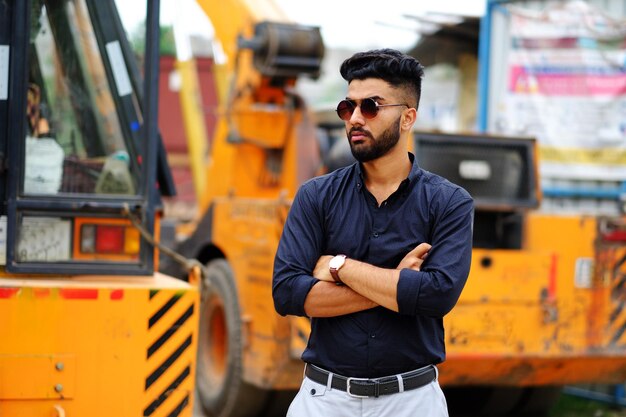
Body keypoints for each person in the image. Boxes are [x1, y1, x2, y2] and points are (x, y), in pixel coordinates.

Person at [272, 48, 474, 417]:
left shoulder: (449, 203)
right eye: (347, 108)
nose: (355, 119)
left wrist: (338, 267)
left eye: (371, 106)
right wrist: (398, 283)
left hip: (412, 401)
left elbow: (436, 296)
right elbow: (287, 293)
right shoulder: (316, 196)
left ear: (408, 117)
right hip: (324, 399)